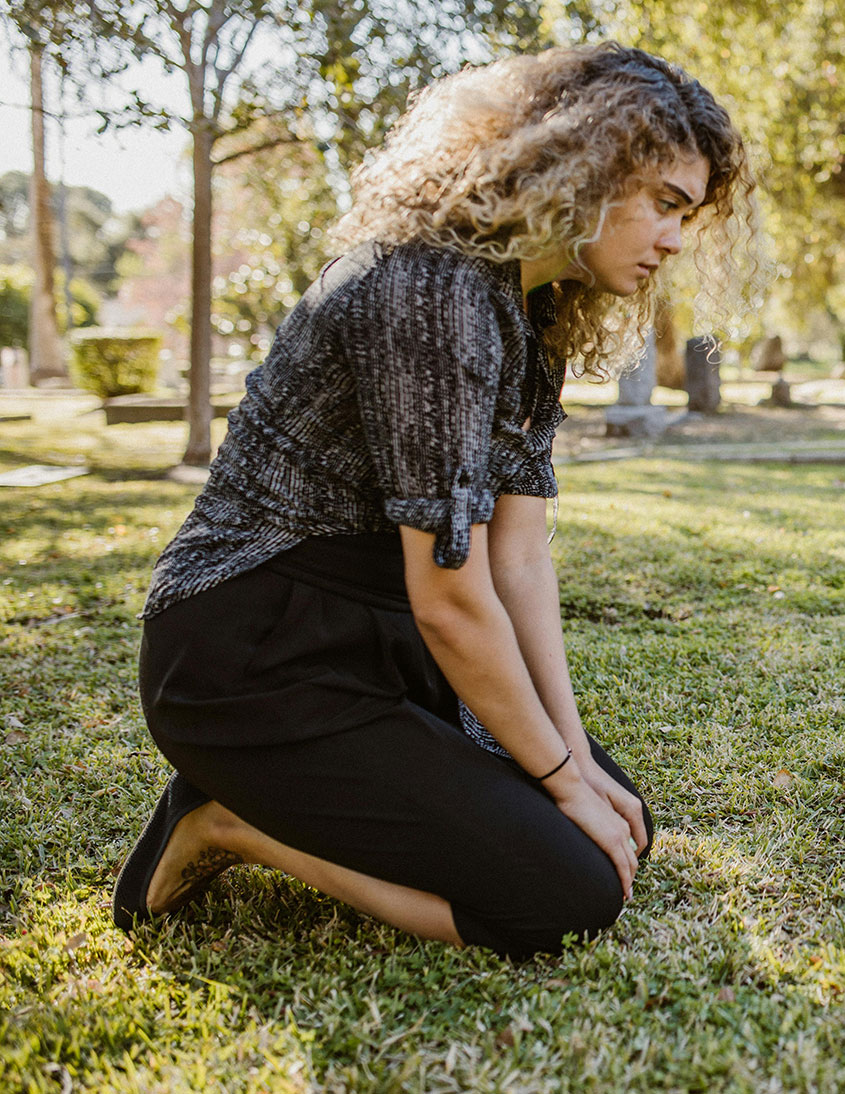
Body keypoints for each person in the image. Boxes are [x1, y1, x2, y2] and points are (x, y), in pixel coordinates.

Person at [112, 44, 761, 957]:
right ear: (581, 167)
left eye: (688, 216)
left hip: (381, 644)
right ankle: (225, 821)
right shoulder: (430, 292)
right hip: (253, 656)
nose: (675, 241)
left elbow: (520, 557)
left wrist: (574, 761)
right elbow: (453, 598)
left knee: (619, 825)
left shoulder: (531, 307)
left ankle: (272, 798)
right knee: (568, 895)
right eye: (664, 205)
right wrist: (564, 782)